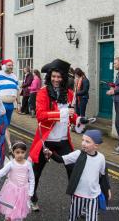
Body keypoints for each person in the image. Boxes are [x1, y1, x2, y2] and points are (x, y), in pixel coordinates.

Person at [28, 59, 78, 211]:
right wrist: (63, 112)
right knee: (36, 172)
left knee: (74, 169)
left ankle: (77, 202)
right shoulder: (43, 92)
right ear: (49, 76)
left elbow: (70, 115)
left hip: (63, 141)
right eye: (53, 76)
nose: (56, 79)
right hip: (46, 141)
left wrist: (79, 120)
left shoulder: (69, 94)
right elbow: (41, 115)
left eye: (59, 77)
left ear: (63, 78)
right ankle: (33, 197)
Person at [45, 130, 112, 221]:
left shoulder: (101, 158)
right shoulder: (78, 154)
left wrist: (107, 189)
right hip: (78, 195)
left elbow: (104, 175)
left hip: (93, 196)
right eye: (83, 140)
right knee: (73, 217)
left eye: (87, 141)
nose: (83, 143)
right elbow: (61, 159)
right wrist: (50, 153)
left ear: (96, 145)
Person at [0, 141, 35, 221]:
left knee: (19, 210)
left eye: (22, 152)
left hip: (23, 191)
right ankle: (8, 219)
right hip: (11, 191)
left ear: (25, 152)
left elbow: (31, 179)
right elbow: (2, 172)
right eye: (17, 152)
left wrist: (31, 192)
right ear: (13, 152)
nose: (20, 154)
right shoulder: (11, 163)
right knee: (10, 210)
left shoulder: (28, 164)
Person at [0, 59, 19, 152]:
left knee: (5, 124)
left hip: (11, 105)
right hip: (0, 104)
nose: (11, 67)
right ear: (3, 66)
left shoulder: (14, 77)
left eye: (12, 65)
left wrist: (18, 103)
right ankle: (10, 145)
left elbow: (17, 90)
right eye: (9, 65)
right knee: (4, 125)